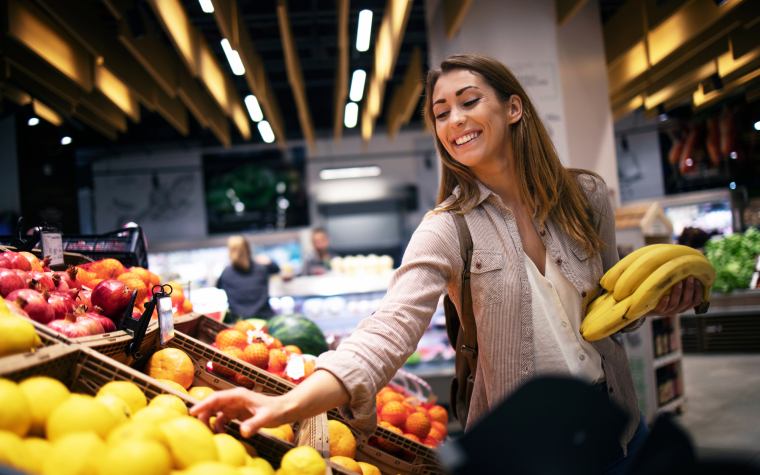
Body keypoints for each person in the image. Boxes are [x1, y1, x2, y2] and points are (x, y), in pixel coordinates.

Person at [192, 55, 704, 473]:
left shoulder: (586, 196)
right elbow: (391, 328)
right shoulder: (447, 228)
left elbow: (609, 308)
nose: (453, 119)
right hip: (522, 454)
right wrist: (289, 402)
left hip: (617, 428)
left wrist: (658, 303)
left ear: (513, 108)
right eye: (440, 112)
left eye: (468, 101)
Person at [216, 236, 280, 320]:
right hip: (265, 319)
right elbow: (276, 268)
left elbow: (218, 286)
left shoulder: (226, 273)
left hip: (239, 322)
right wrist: (267, 260)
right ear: (248, 249)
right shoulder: (261, 268)